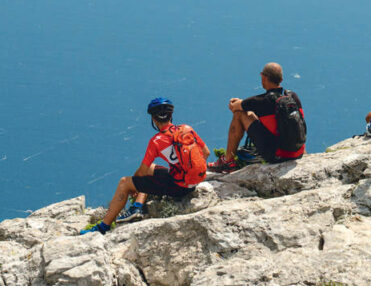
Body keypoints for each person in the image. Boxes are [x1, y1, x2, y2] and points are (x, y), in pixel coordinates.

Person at [81, 97, 209, 235]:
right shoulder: (186, 129)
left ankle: (102, 227)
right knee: (152, 168)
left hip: (177, 187)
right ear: (171, 115)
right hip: (192, 183)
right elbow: (206, 153)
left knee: (124, 183)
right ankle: (137, 207)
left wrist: (135, 184)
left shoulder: (156, 141)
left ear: (154, 119)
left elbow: (142, 171)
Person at [208, 62, 305, 172]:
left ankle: (228, 161)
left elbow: (234, 107)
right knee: (254, 114)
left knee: (240, 114)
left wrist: (237, 102)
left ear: (263, 77)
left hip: (277, 156)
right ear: (281, 79)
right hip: (297, 153)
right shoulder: (292, 96)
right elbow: (300, 122)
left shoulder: (261, 101)